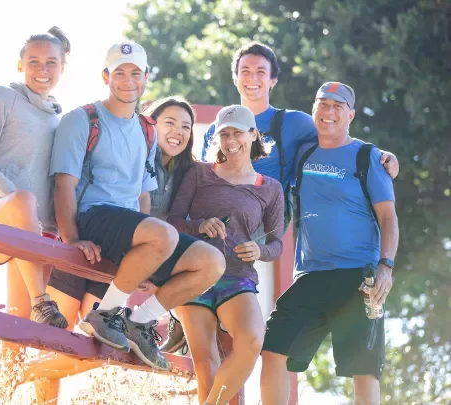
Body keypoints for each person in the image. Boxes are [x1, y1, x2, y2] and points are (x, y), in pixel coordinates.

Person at [162, 40, 400, 354]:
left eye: (261, 72)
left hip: (262, 218)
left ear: (273, 80)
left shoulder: (294, 123)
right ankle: (180, 314)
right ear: (235, 78)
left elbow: (337, 137)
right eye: (245, 71)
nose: (253, 77)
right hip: (218, 218)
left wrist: (382, 155)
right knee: (185, 224)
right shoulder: (219, 126)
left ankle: (210, 313)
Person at [50, 42, 225, 372]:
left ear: (145, 77)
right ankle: (104, 314)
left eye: (135, 73)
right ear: (106, 76)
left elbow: (144, 196)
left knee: (211, 262)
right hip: (93, 215)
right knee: (164, 235)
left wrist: (151, 256)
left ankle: (139, 321)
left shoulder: (146, 130)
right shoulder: (82, 119)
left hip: (129, 226)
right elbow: (63, 185)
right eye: (119, 73)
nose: (128, 80)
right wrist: (71, 239)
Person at [35, 96, 198, 403]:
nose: (178, 131)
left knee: (101, 347)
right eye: (169, 123)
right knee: (56, 338)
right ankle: (35, 387)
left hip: (120, 259)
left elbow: (170, 223)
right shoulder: (123, 144)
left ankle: (28, 374)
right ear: (150, 125)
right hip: (90, 239)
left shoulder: (184, 175)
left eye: (186, 126)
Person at [260, 82, 398, 405]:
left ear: (350, 114)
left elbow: (389, 219)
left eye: (338, 106)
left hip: (359, 278)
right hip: (310, 275)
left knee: (364, 370)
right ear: (314, 111)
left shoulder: (368, 156)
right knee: (273, 348)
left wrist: (386, 267)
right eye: (323, 104)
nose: (329, 112)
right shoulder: (304, 153)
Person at [0, 26, 71, 401]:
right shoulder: (3, 98)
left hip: (37, 236)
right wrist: (17, 200)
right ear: (20, 64)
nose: (42, 69)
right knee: (25, 200)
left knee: (19, 328)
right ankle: (43, 301)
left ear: (63, 66)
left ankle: (2, 395)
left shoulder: (60, 120)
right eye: (33, 62)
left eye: (51, 62)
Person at [167, 105, 284, 405]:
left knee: (252, 340)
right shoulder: (199, 173)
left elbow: (276, 244)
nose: (231, 141)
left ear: (253, 135)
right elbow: (172, 222)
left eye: (237, 134)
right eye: (224, 135)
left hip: (238, 278)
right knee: (206, 364)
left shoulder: (270, 189)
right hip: (195, 274)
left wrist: (260, 250)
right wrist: (199, 225)